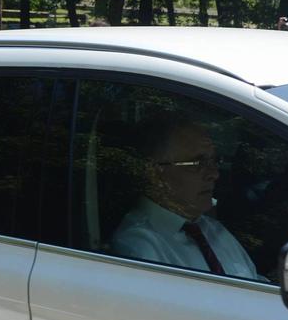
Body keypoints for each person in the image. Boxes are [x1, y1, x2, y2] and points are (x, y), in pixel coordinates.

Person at [111, 117, 261, 279]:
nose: (214, 174)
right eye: (197, 163)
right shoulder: (139, 245)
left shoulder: (212, 229)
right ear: (155, 172)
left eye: (214, 161)